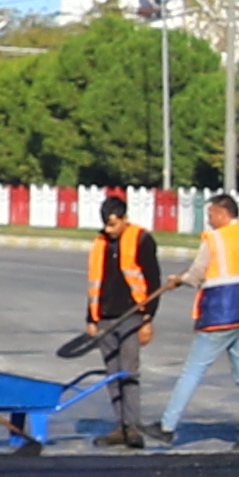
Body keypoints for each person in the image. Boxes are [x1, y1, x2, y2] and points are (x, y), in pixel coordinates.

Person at [165, 194, 239, 445]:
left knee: (192, 371)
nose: (208, 219)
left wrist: (177, 280)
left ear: (223, 213)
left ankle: (167, 426)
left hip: (221, 315)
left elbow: (196, 275)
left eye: (211, 214)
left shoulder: (215, 239)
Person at [79, 191, 168, 447]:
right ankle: (119, 427)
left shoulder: (142, 240)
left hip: (131, 317)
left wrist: (148, 318)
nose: (110, 229)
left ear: (125, 218)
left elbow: (153, 281)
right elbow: (95, 282)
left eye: (114, 224)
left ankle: (133, 427)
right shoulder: (100, 243)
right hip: (105, 318)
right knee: (112, 375)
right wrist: (91, 319)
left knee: (129, 373)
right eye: (106, 224)